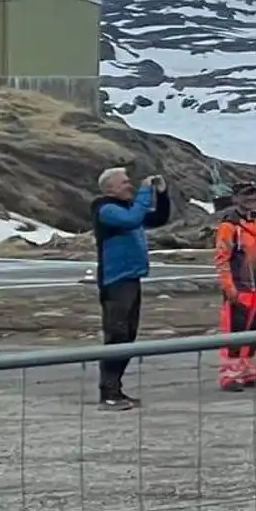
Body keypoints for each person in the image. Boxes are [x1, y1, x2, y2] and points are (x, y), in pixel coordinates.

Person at [90, 166, 172, 410]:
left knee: (128, 336)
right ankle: (108, 394)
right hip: (115, 281)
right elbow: (132, 220)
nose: (130, 185)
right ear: (111, 188)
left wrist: (162, 194)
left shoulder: (127, 208)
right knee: (116, 336)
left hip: (131, 279)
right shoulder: (105, 208)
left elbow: (158, 219)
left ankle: (116, 390)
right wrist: (146, 192)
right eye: (125, 182)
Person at [214, 180, 256, 392]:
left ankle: (249, 371)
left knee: (255, 330)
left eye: (252, 194)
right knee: (235, 332)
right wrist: (228, 287)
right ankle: (230, 375)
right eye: (245, 195)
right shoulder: (229, 226)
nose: (250, 199)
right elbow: (222, 258)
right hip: (239, 288)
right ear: (235, 198)